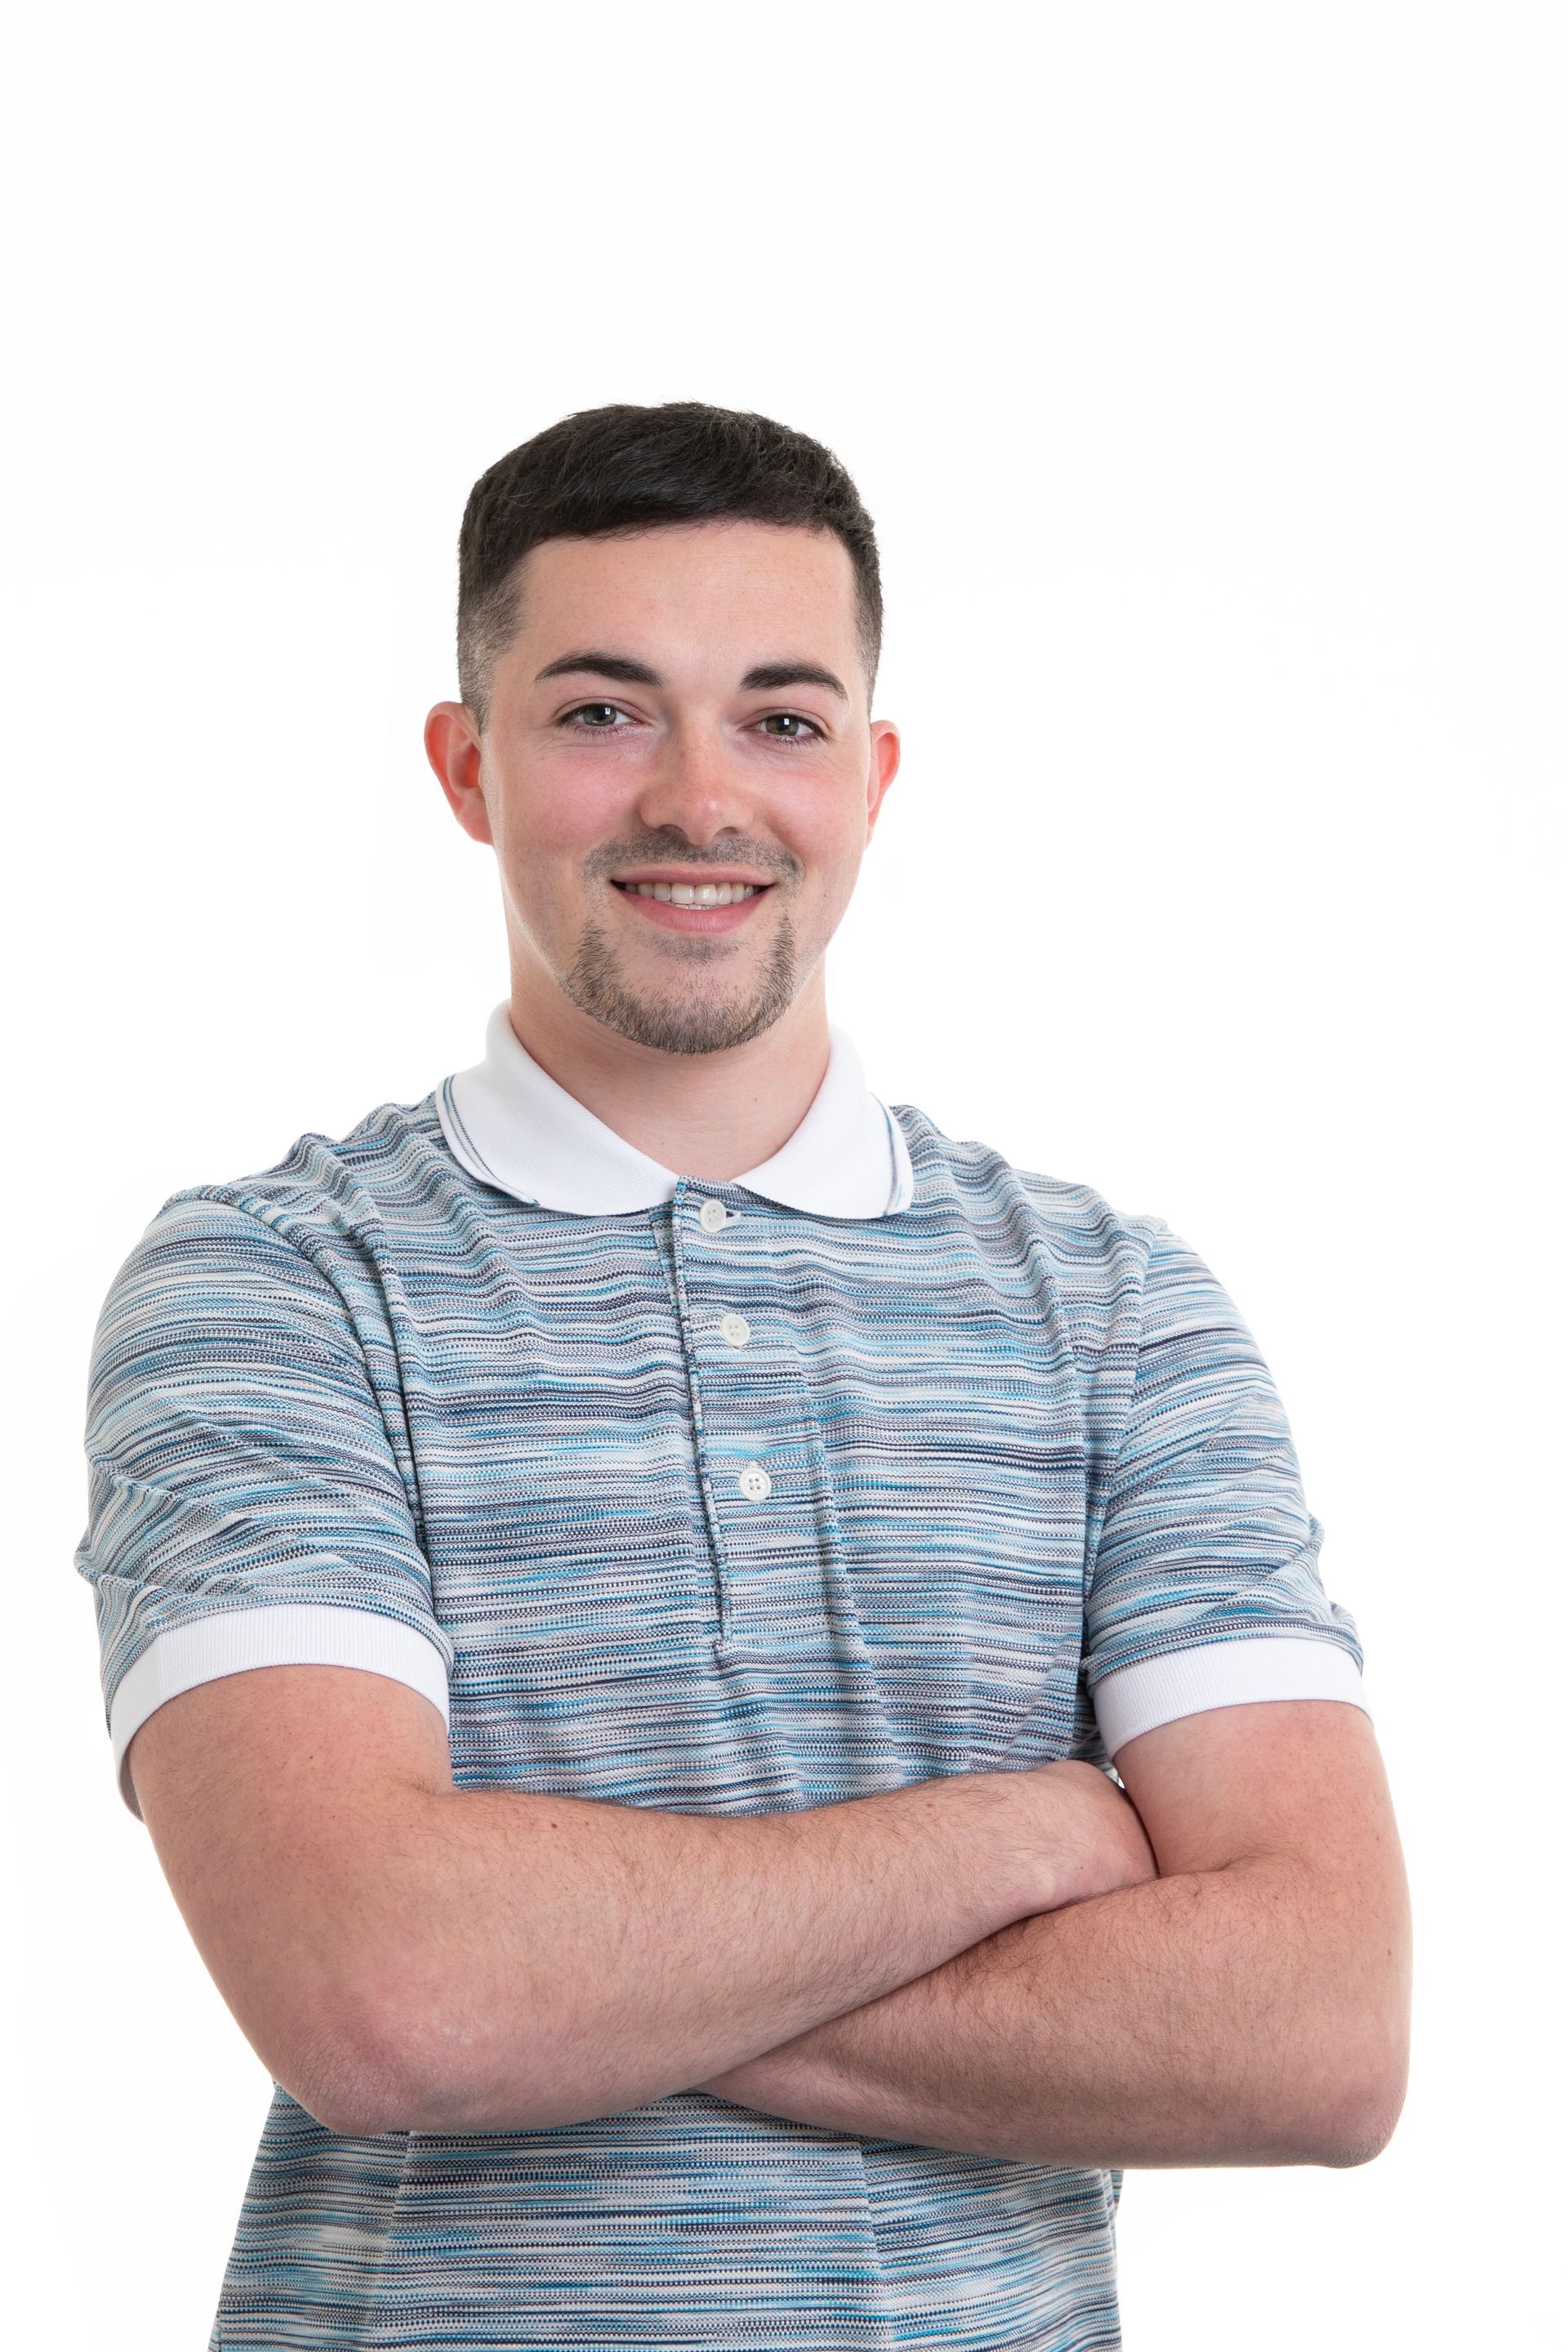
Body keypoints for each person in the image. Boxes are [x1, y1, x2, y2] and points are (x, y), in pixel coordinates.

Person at [76, 401, 1411, 2351]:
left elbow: (1322, 2034)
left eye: (781, 719)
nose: (700, 798)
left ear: (870, 776)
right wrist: (1023, 1839)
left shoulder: (1117, 1311)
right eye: (603, 711)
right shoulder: (279, 1286)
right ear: (467, 765)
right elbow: (383, 1993)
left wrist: (572, 1972)